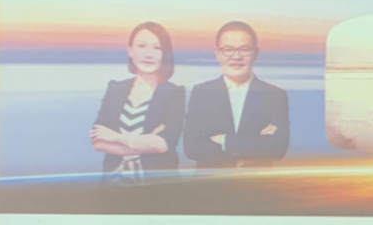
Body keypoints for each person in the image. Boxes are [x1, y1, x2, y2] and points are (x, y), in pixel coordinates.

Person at [183, 20, 290, 167]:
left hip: (255, 180)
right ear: (217, 54)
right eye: (228, 49)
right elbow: (192, 148)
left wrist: (224, 140)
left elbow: (277, 149)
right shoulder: (202, 93)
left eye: (244, 49)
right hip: (211, 180)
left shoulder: (274, 95)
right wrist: (254, 145)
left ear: (256, 53)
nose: (236, 57)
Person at [91, 20, 185, 182]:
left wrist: (116, 137)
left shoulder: (174, 93)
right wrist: (144, 142)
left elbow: (161, 145)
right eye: (142, 46)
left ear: (165, 54)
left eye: (157, 48)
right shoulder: (115, 88)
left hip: (156, 187)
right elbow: (98, 142)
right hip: (112, 185)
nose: (149, 54)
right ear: (130, 51)